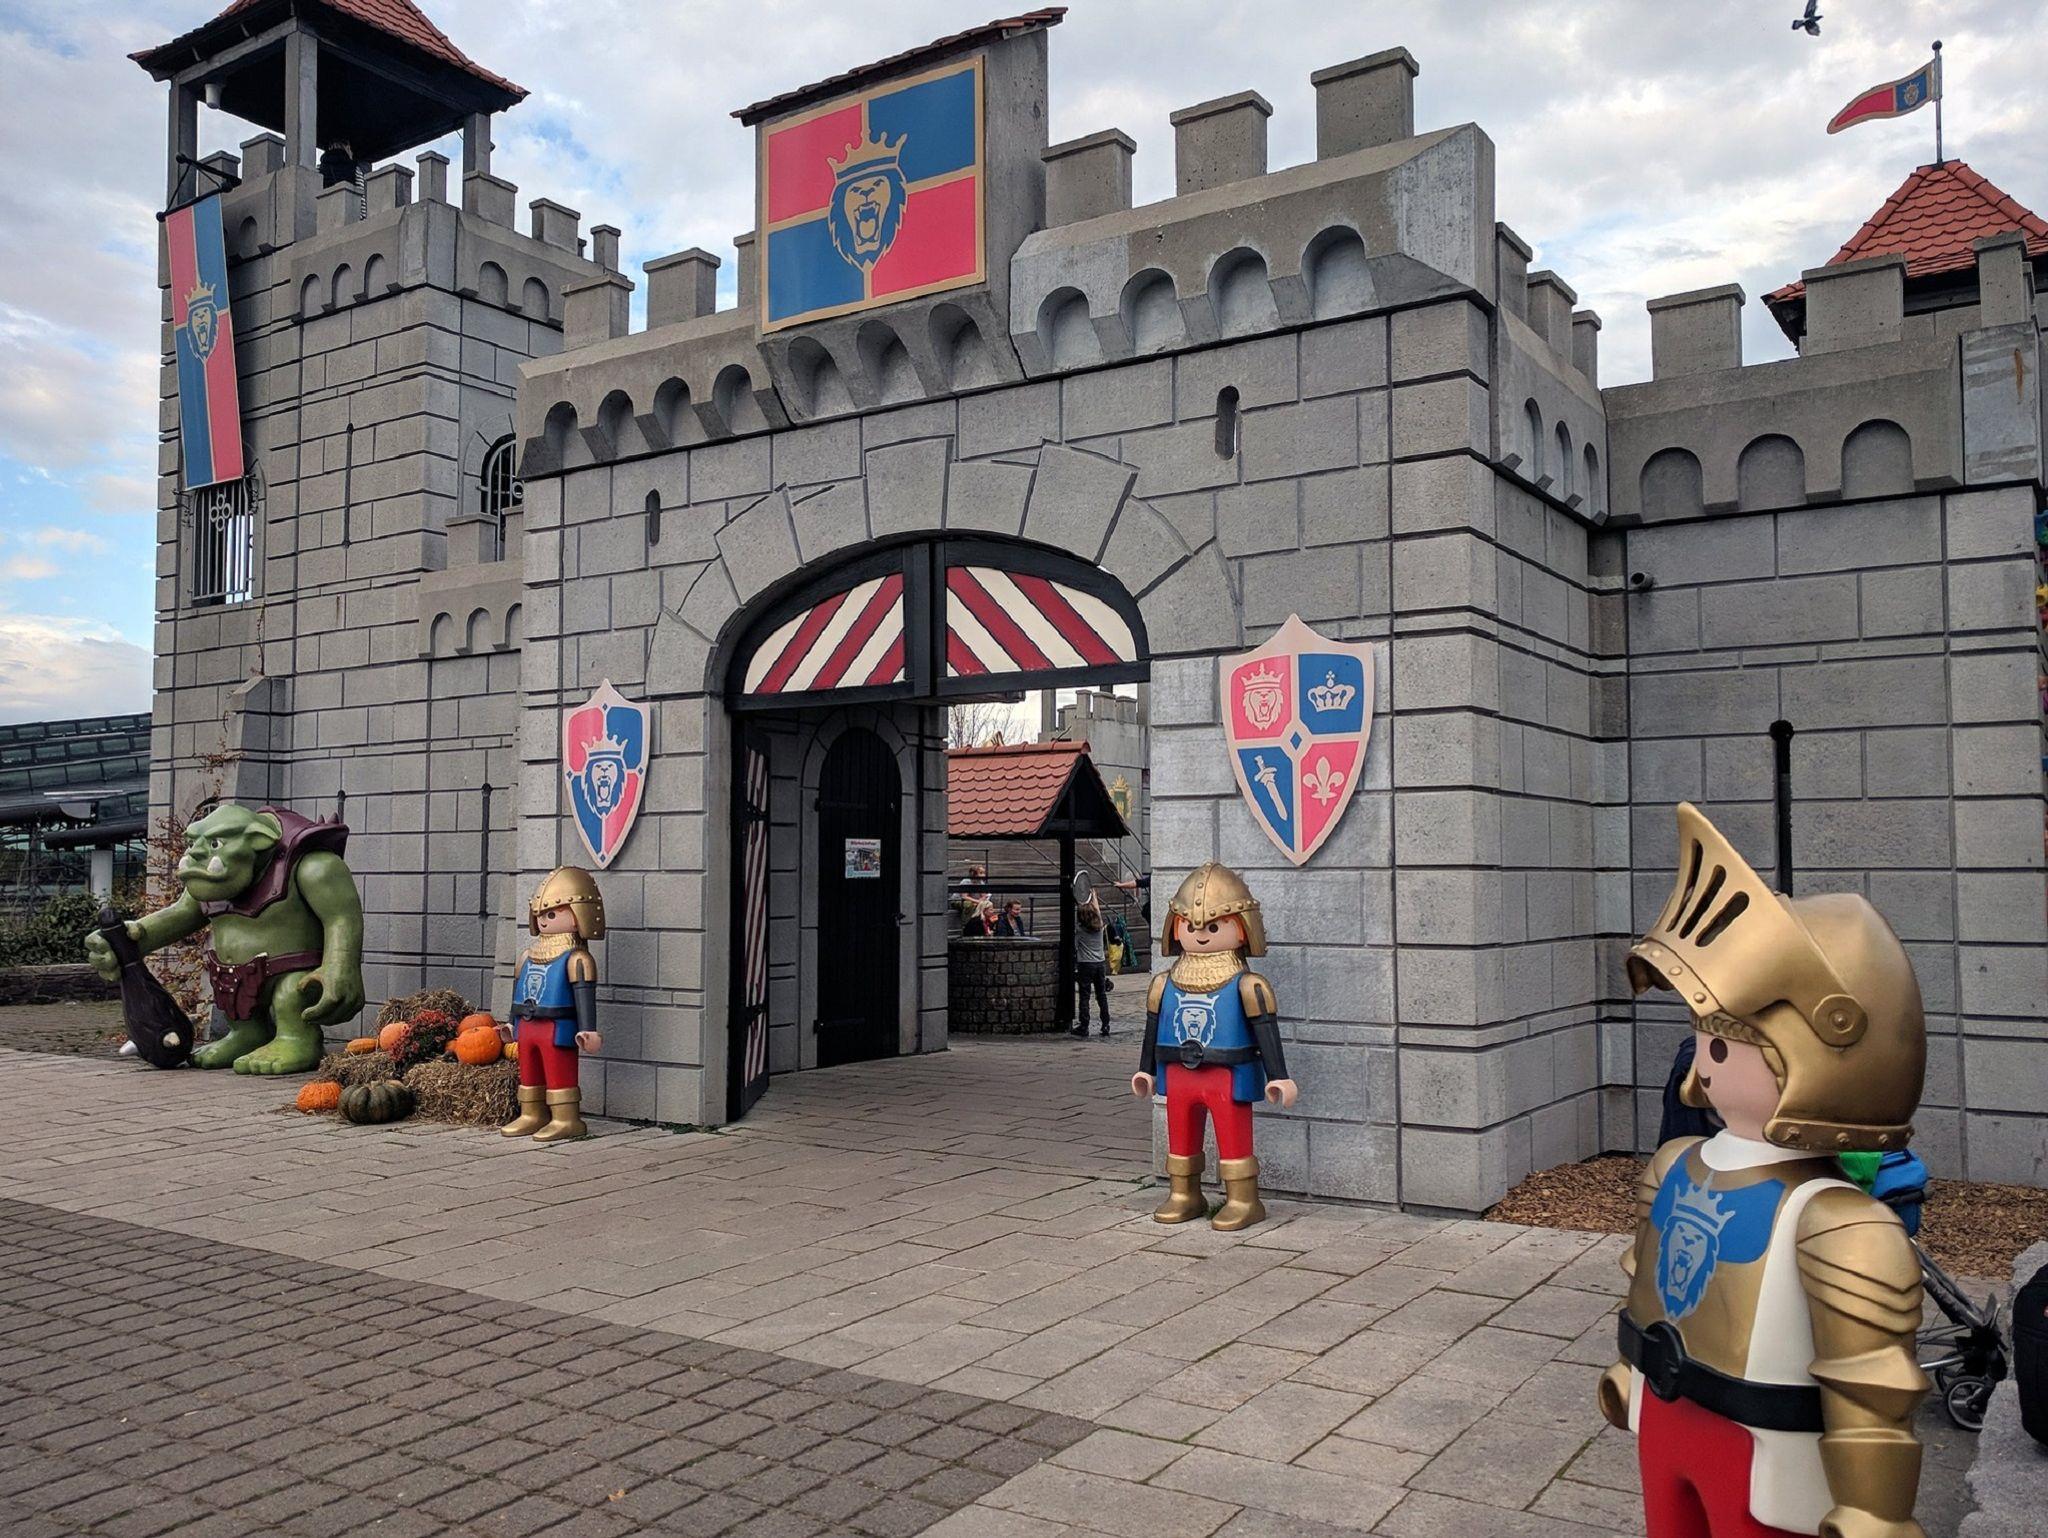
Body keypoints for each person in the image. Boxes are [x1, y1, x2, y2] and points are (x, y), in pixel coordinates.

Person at [1605, 802, 1929, 1538]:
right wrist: (1630, 1368)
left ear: (1816, 1057)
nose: (1702, 1064)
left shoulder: (1837, 1221)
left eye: (1723, 1045)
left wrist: (1873, 1509)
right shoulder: (1677, 1163)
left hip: (1766, 1454)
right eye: (1704, 1040)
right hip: (1668, 1416)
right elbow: (1649, 1282)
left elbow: (1869, 1381)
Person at [1130, 863, 1298, 1231]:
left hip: (1228, 1072)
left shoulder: (1248, 985)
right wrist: (1146, 1069)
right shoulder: (1163, 984)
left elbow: (1266, 1031)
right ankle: (1183, 1193)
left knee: (1233, 1133)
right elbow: (1153, 1028)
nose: (1201, 935)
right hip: (1178, 1071)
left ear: (1243, 927)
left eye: (1214, 926)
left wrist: (1278, 1075)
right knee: (1180, 1133)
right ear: (1176, 927)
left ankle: (1243, 1199)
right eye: (1191, 927)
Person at [497, 866, 605, 1143]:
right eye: (540, 915)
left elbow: (584, 997)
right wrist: (511, 1022)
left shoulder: (577, 959)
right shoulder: (527, 956)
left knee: (559, 1070)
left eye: (552, 914)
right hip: (528, 1025)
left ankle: (566, 1119)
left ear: (579, 915)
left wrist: (588, 1029)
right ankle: (532, 1113)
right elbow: (517, 992)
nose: (544, 921)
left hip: (558, 1026)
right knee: (529, 1070)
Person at [1071, 892, 1110, 1038]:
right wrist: (1094, 895)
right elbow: (1097, 911)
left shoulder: (1080, 931)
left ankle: (1084, 1025)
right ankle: (1105, 1024)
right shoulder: (1099, 927)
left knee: (1085, 996)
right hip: (1100, 964)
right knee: (1101, 995)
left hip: (1086, 964)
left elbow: (1074, 947)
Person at [955, 864, 994, 937]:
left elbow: (984, 896)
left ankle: (986, 926)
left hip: (975, 901)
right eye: (981, 873)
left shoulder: (981, 882)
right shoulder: (966, 881)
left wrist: (980, 902)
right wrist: (978, 902)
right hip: (959, 900)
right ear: (974, 874)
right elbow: (964, 896)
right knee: (969, 904)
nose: (983, 875)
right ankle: (966, 923)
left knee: (988, 904)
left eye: (984, 873)